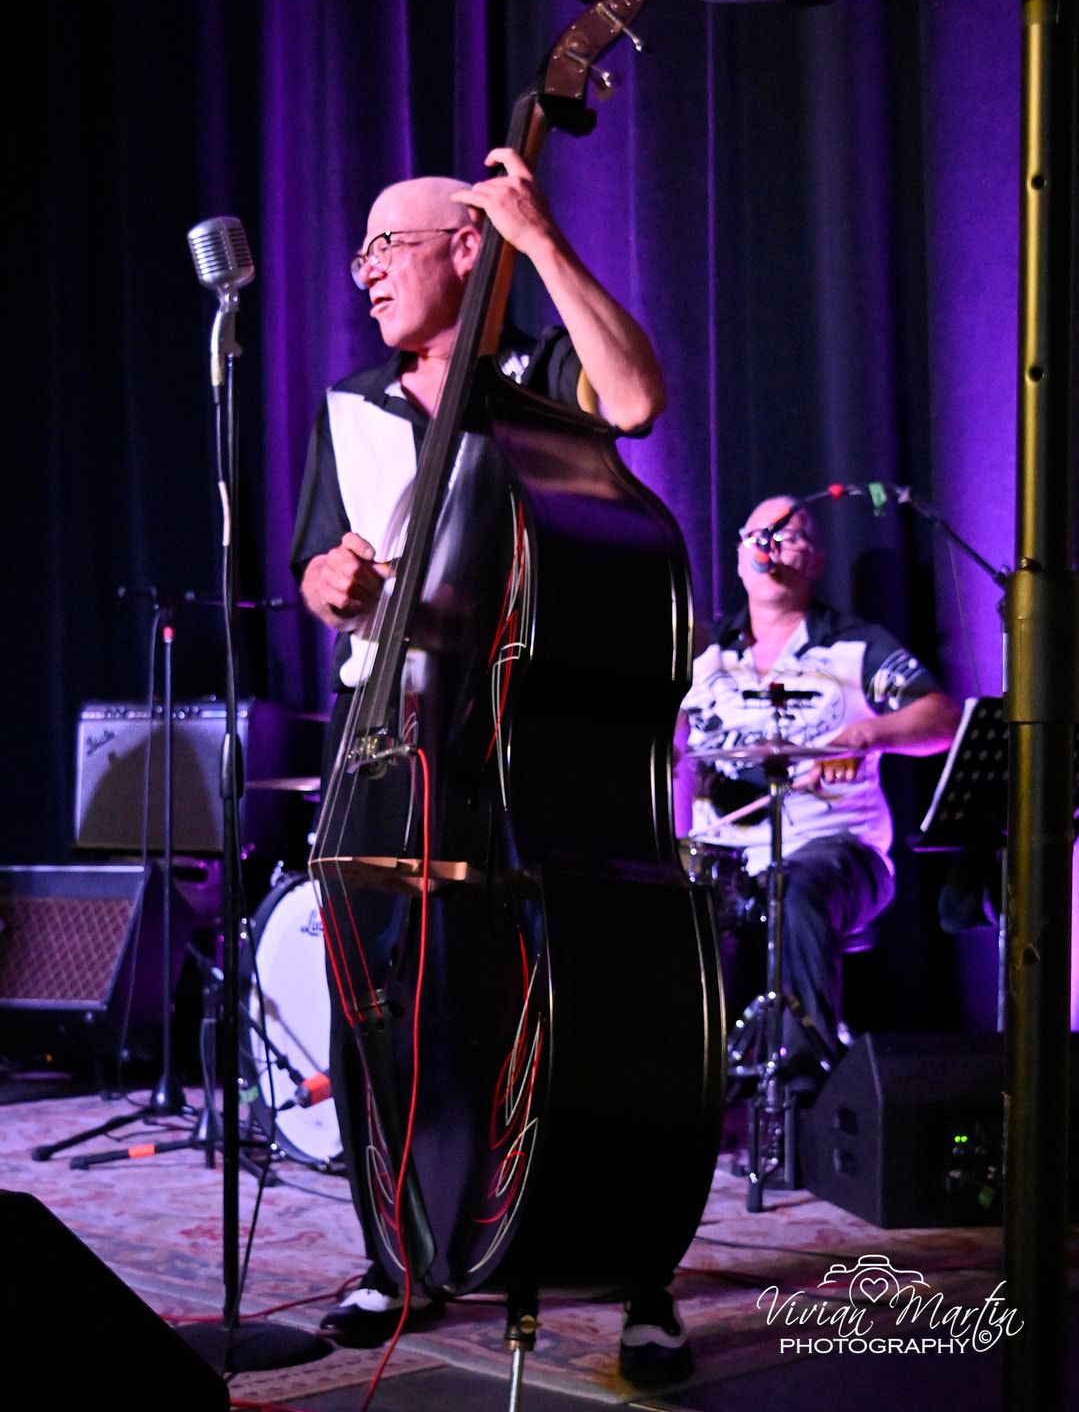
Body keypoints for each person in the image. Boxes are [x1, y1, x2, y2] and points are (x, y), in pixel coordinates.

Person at [290, 149, 690, 1388]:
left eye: (387, 246)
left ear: (467, 247)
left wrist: (542, 239)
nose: (363, 272)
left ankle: (631, 1267)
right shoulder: (350, 403)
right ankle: (396, 1253)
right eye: (359, 252)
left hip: (532, 749)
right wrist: (330, 584)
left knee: (582, 1013)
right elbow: (318, 570)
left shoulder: (538, 374)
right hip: (393, 735)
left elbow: (634, 402)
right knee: (381, 1009)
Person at [681, 494, 960, 1082]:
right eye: (761, 535)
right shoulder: (705, 657)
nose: (773, 545)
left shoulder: (855, 645)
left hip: (838, 852)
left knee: (793, 888)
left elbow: (941, 718)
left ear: (815, 560)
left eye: (792, 535)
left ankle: (802, 1081)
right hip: (724, 858)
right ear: (740, 557)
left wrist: (866, 735)